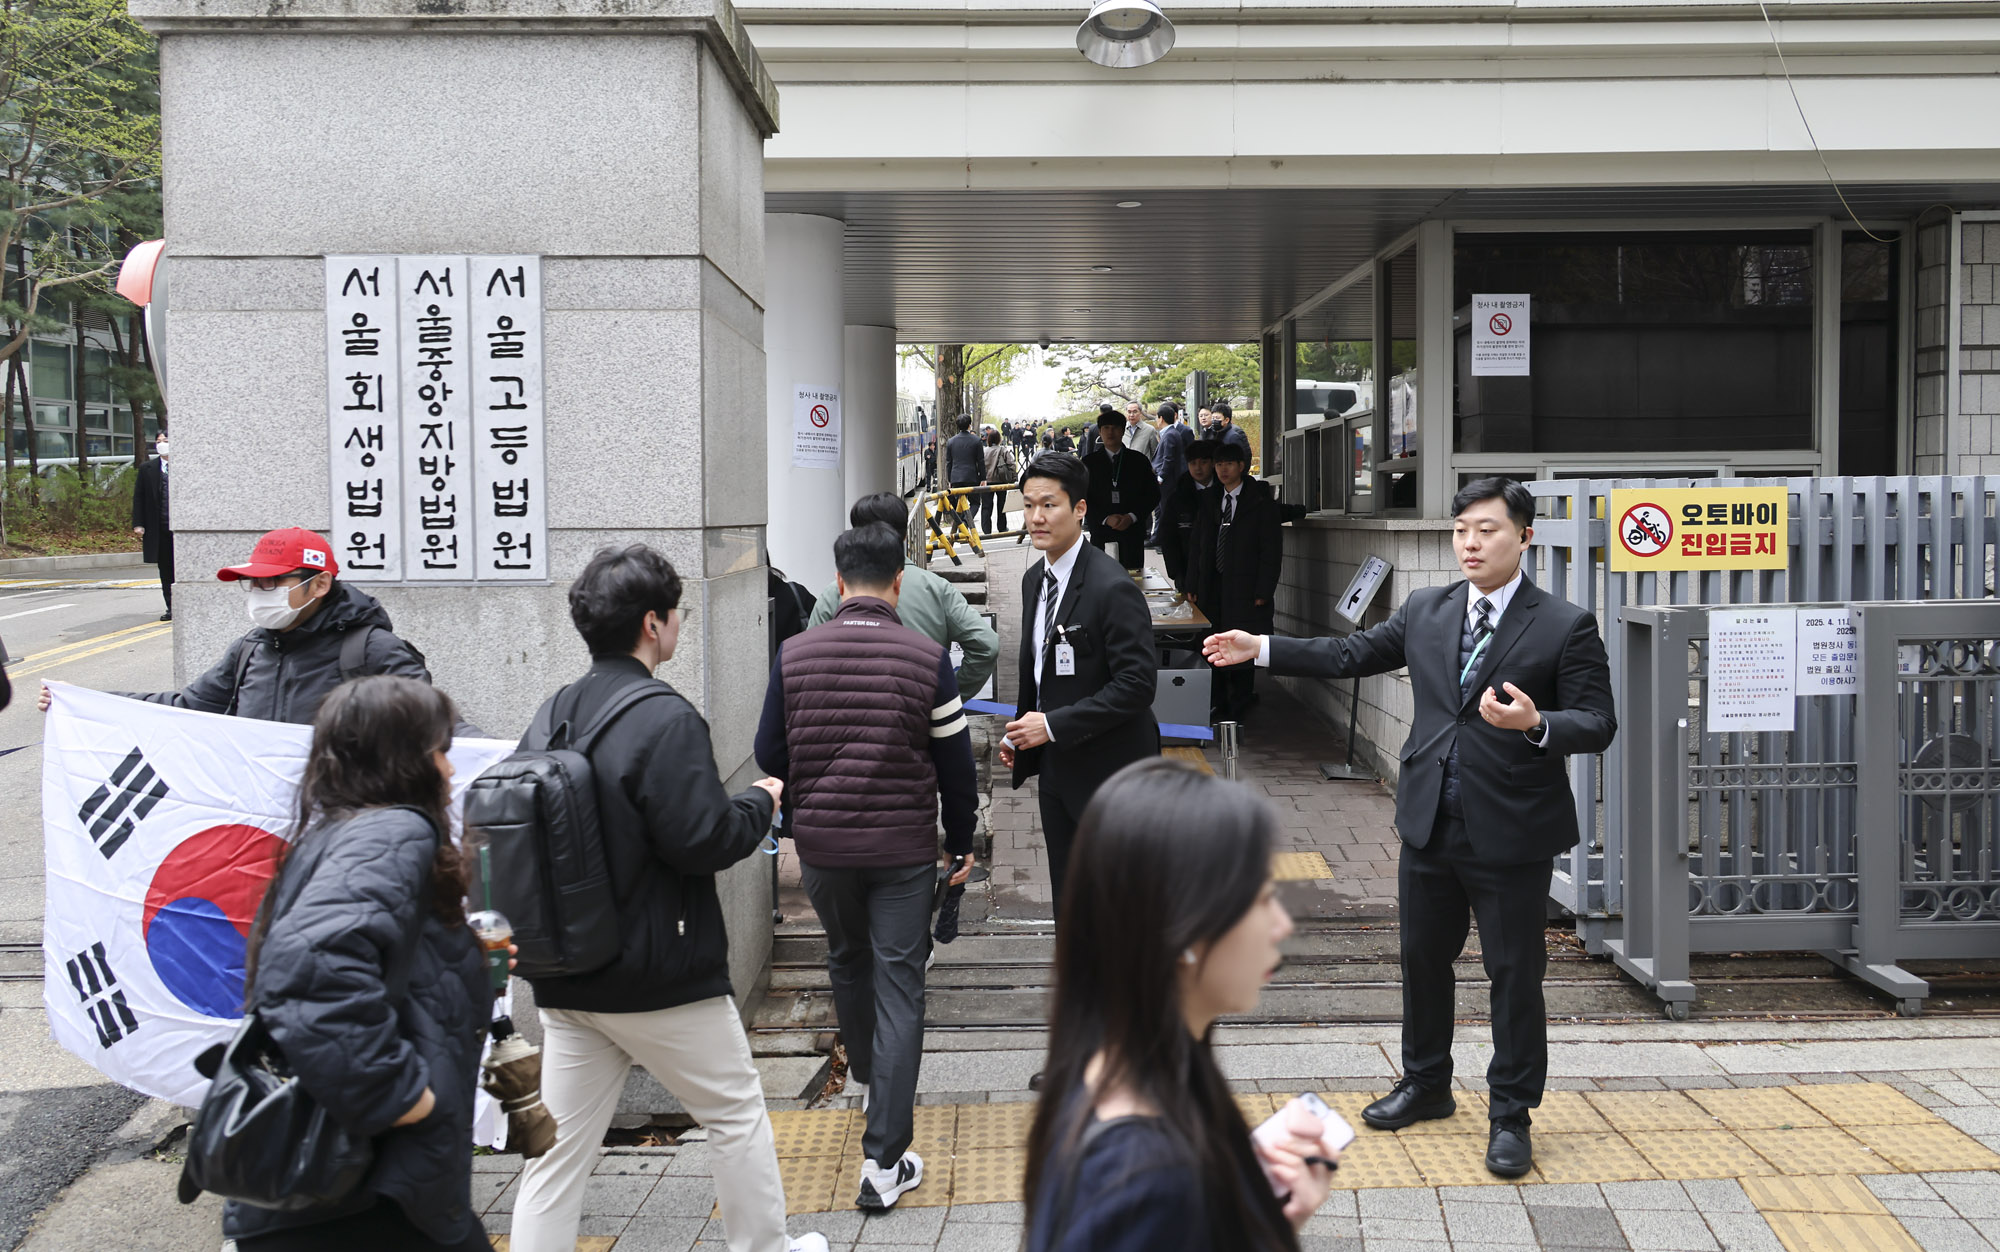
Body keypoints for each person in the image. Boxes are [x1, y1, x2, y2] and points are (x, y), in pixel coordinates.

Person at [1203, 477, 1616, 1178]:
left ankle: (1511, 1113)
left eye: (1487, 530)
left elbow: (1598, 722)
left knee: (1513, 973)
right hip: (1430, 820)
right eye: (1461, 530)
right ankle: (1426, 1084)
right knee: (1423, 959)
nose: (1471, 543)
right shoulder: (1428, 608)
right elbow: (1348, 655)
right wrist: (1262, 647)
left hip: (1513, 830)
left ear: (1525, 537)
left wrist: (1537, 723)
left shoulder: (1563, 624)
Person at [509, 545, 828, 1252]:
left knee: (557, 1152)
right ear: (654, 624)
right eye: (677, 610)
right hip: (659, 975)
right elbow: (702, 839)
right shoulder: (665, 717)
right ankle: (766, 1248)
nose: (679, 621)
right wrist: (759, 800)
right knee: (734, 1111)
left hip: (564, 975)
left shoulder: (553, 712)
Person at [754, 523, 978, 1211]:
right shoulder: (925, 657)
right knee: (902, 984)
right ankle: (883, 1158)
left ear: (840, 582)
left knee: (849, 961)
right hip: (903, 853)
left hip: (823, 851)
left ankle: (873, 1089)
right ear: (900, 582)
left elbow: (769, 754)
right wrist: (960, 842)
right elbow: (955, 767)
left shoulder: (795, 654)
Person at [1023, 759, 1336, 1252]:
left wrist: (1242, 1198)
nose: (1281, 925)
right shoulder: (1156, 1182)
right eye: (1260, 900)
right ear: (1183, 930)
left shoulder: (1101, 1066)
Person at [226, 676, 491, 1252]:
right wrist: (398, 1096)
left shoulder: (343, 829)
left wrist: (458, 953)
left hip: (359, 1184)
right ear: (405, 760)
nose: (449, 770)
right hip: (367, 1187)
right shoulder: (390, 832)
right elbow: (310, 975)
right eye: (439, 751)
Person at [38, 526, 471, 730]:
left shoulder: (371, 650)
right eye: (253, 582)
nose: (259, 591)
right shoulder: (251, 649)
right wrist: (85, 701)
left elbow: (436, 723)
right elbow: (187, 705)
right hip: (259, 825)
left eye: (273, 581)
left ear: (319, 583)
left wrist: (505, 762)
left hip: (344, 828)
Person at [1001, 452, 1158, 913]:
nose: (1036, 518)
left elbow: (1136, 685)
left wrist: (1049, 725)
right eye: (1028, 505)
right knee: (1069, 898)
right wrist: (1024, 734)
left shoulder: (1113, 587)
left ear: (1081, 509)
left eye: (1049, 505)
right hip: (1056, 769)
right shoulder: (1035, 579)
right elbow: (1038, 670)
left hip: (1114, 772)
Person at [807, 494, 998, 699]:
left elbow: (809, 660)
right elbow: (986, 645)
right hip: (923, 718)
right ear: (905, 535)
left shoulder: (833, 593)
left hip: (850, 719)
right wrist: (947, 695)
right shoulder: (937, 589)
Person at [1187, 441, 1282, 721]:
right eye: (1218, 465)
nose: (1222, 470)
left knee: (1244, 642)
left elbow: (1271, 550)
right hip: (1213, 584)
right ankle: (1217, 702)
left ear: (1242, 466)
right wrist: (1192, 583)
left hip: (1246, 585)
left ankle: (1241, 702)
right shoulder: (1209, 500)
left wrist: (1264, 588)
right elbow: (1197, 546)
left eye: (1229, 464)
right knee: (1213, 642)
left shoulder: (1260, 501)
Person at [1080, 406, 1161, 574]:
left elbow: (1153, 494)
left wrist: (1132, 517)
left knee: (1133, 580)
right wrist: (1104, 518)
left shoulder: (1138, 460)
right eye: (1106, 428)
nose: (1110, 432)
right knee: (1100, 579)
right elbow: (1081, 498)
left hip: (1132, 532)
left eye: (1115, 428)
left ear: (1123, 430)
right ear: (1100, 432)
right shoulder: (1088, 463)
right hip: (1101, 532)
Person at [1158, 440, 1216, 591]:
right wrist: (1176, 572)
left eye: (1203, 462)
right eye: (1193, 463)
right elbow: (1168, 536)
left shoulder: (1225, 492)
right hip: (1187, 569)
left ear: (1212, 463)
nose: (1198, 468)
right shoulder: (1178, 497)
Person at [132, 431, 173, 621]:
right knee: (165, 569)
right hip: (160, 528)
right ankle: (171, 607)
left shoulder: (186, 465)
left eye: (165, 440)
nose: (162, 444)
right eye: (159, 441)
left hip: (180, 529)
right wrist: (138, 524)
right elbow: (139, 497)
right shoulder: (147, 468)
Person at [1150, 402, 1193, 543]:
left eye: (1157, 417)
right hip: (1169, 482)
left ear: (1161, 418)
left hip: (1168, 483)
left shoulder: (1169, 435)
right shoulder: (1170, 433)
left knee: (1166, 512)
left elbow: (1168, 459)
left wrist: (1160, 477)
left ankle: (1165, 540)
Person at [981, 426, 1019, 534]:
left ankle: (986, 530)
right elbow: (1011, 464)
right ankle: (1002, 527)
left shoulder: (984, 451)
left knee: (986, 506)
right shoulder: (1003, 450)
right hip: (1001, 481)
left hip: (986, 481)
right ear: (999, 439)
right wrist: (1013, 477)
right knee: (1001, 505)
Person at [945, 416, 986, 495]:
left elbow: (949, 462)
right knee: (975, 503)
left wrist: (950, 479)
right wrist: (983, 478)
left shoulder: (951, 441)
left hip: (956, 478)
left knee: (959, 503)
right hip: (972, 477)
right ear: (969, 425)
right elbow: (980, 461)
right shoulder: (977, 440)